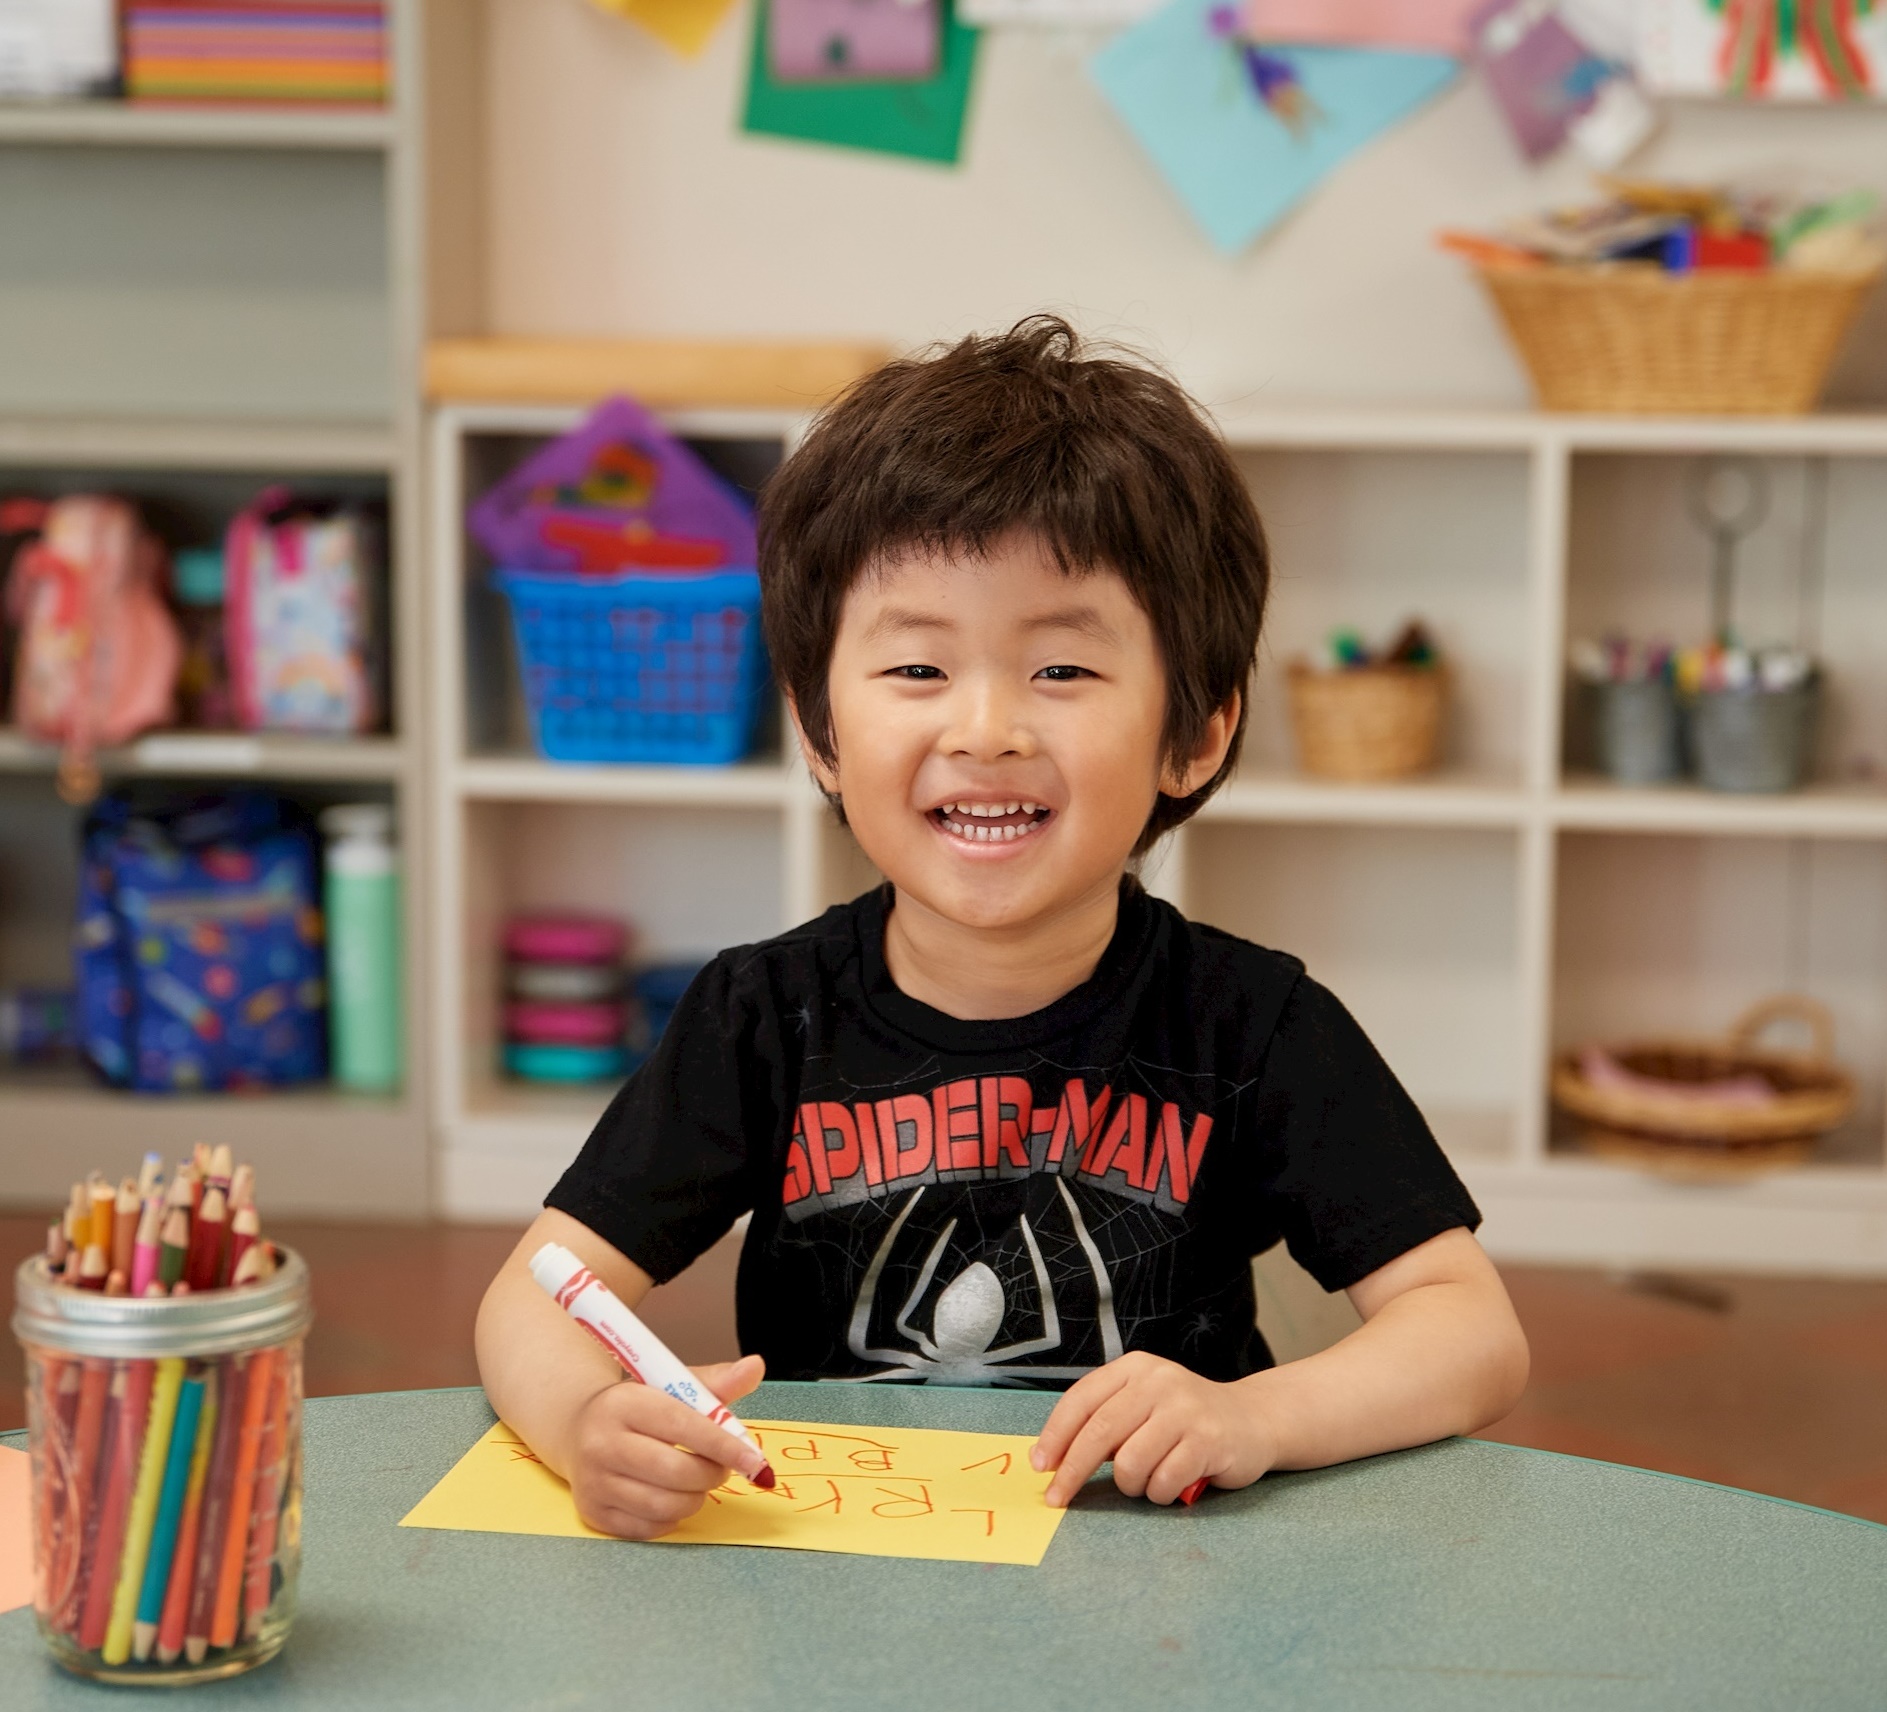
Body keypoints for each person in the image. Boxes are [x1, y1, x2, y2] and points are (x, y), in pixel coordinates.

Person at [474, 316, 1529, 1539]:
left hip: (1164, 1596)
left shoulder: (1253, 1023)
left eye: (1062, 672)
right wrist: (585, 1428)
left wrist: (1260, 1416)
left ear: (1196, 732)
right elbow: (535, 1297)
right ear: (818, 727)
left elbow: (1469, 1328)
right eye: (917, 670)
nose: (985, 730)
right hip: (840, 1573)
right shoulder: (761, 1015)